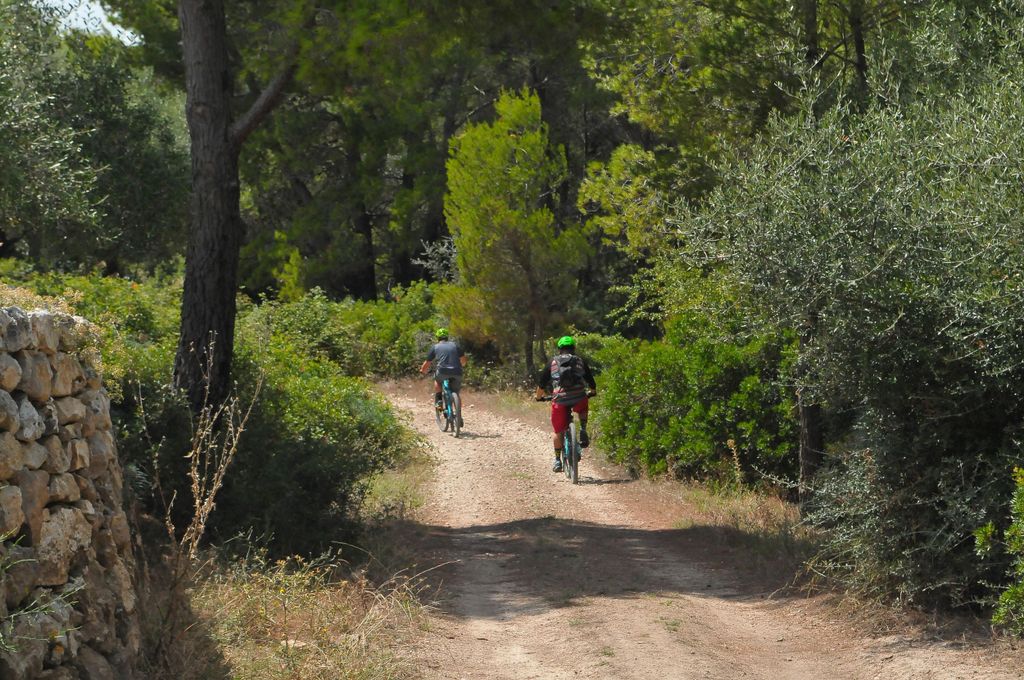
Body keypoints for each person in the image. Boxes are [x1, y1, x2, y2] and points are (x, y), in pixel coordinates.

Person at [535, 335, 597, 472]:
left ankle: (557, 461)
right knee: (582, 406)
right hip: (579, 397)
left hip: (560, 400)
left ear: (559, 349)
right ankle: (583, 429)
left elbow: (542, 384)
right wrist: (592, 391)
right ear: (573, 348)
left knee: (557, 431)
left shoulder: (553, 362)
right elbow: (591, 381)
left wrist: (538, 397)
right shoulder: (580, 361)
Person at [419, 328, 467, 424]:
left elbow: (427, 363)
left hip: (442, 371)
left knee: (437, 381)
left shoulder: (435, 347)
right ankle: (459, 416)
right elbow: (464, 360)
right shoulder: (455, 345)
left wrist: (422, 371)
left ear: (438, 338)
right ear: (447, 337)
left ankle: (439, 402)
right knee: (456, 393)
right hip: (457, 371)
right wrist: (460, 366)